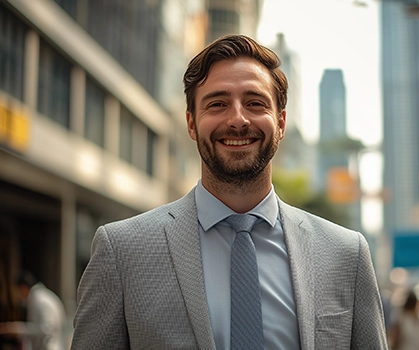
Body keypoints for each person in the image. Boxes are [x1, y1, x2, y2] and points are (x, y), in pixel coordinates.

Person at [71, 34, 387, 349]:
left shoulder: (346, 255)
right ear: (192, 124)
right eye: (218, 104)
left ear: (280, 123)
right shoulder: (122, 251)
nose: (237, 119)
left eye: (255, 103)